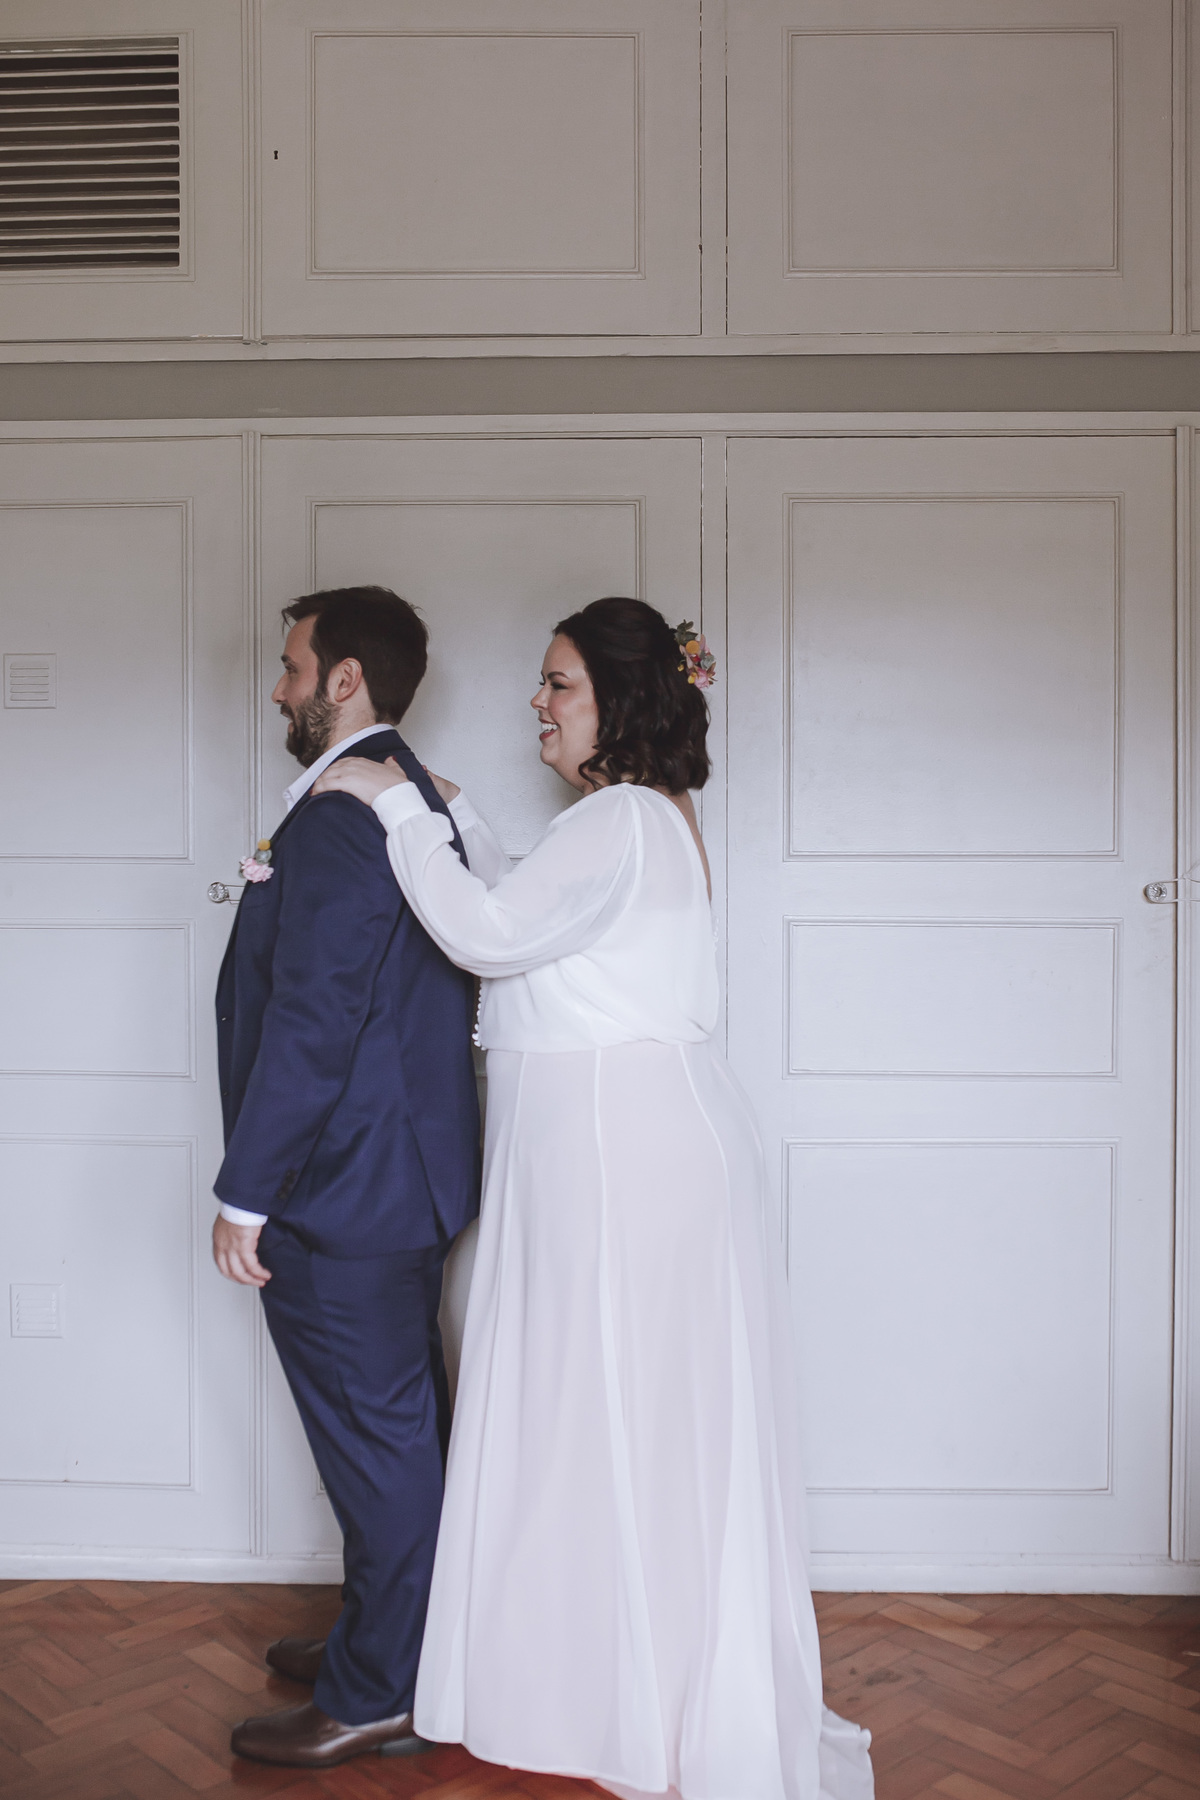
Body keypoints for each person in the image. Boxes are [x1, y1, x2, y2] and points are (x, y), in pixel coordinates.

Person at [313, 597, 875, 1800]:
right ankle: (623, 1679)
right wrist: (460, 811)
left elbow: (485, 932)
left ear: (617, 701)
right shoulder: (642, 820)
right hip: (631, 1140)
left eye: (558, 682)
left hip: (621, 1151)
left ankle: (617, 1691)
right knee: (626, 1417)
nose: (538, 701)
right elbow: (535, 909)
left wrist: (396, 802)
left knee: (609, 1409)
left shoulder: (618, 819)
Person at [211, 585, 500, 1769]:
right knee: (398, 1431)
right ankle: (391, 1635)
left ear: (344, 680)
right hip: (400, 1179)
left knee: (380, 1445)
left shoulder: (342, 816)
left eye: (292, 667)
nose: (278, 688)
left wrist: (245, 1192)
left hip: (342, 1190)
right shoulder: (409, 795)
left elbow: (313, 1020)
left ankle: (381, 1688)